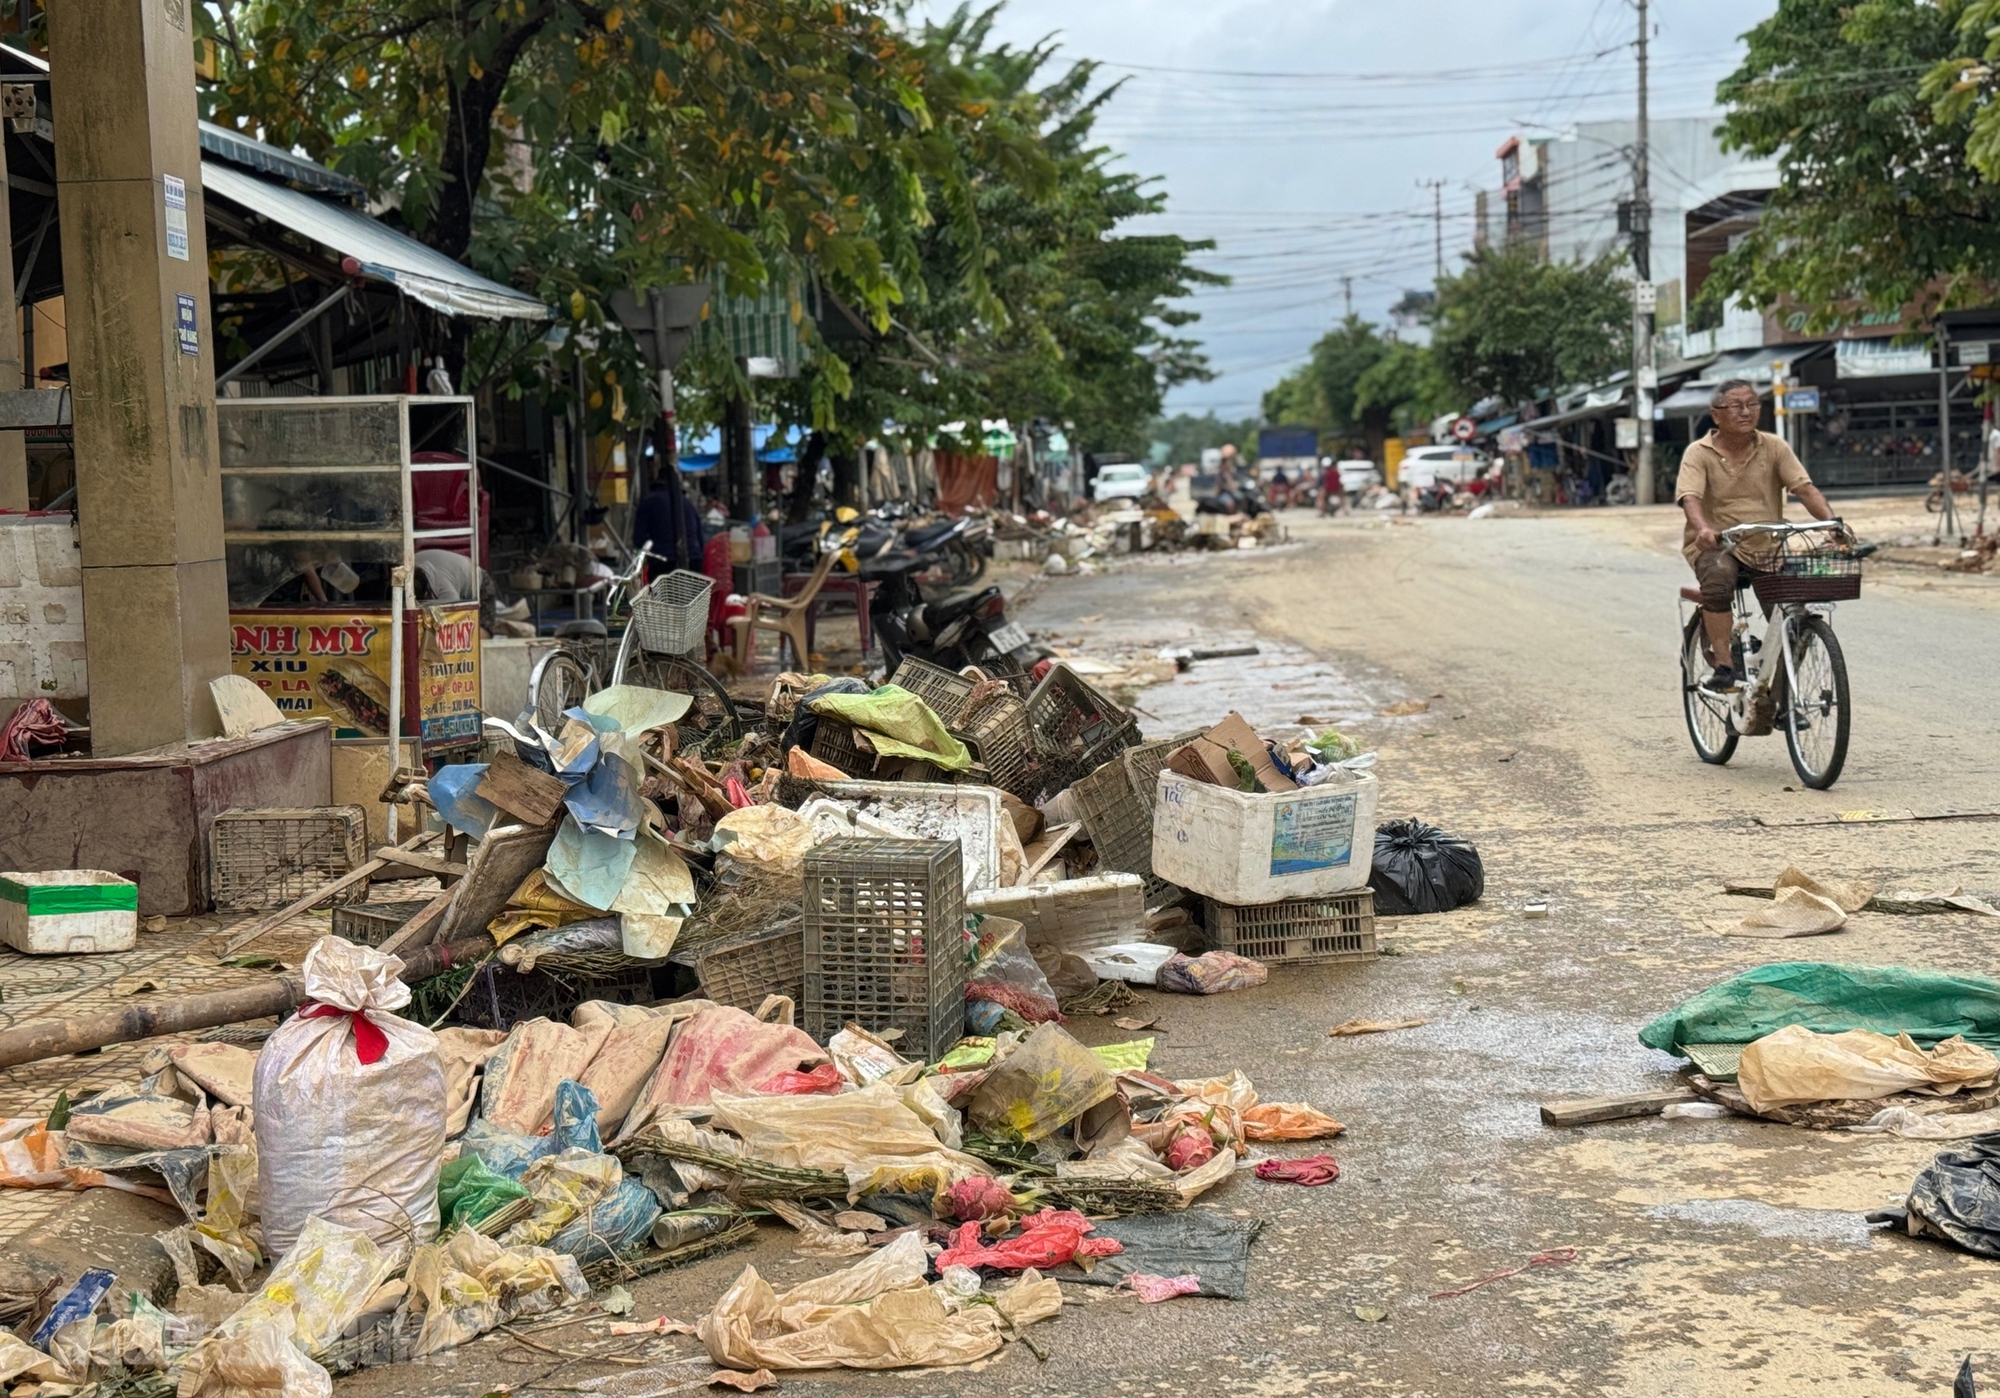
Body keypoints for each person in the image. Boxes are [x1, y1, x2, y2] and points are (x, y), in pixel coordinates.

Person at [1677, 378, 1838, 692]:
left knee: (1793, 620)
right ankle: (1724, 665)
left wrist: (1832, 524)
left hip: (1766, 544)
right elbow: (1690, 497)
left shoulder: (1774, 447)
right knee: (1719, 581)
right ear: (1716, 414)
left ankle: (1778, 696)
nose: (1746, 412)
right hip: (1718, 544)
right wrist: (1703, 528)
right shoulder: (1698, 453)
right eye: (1736, 406)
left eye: (1752, 404)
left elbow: (1804, 489)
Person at [632, 462, 706, 578]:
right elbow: (700, 538)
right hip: (693, 560)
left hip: (663, 563)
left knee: (666, 596)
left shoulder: (648, 502)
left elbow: (638, 539)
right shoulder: (688, 504)